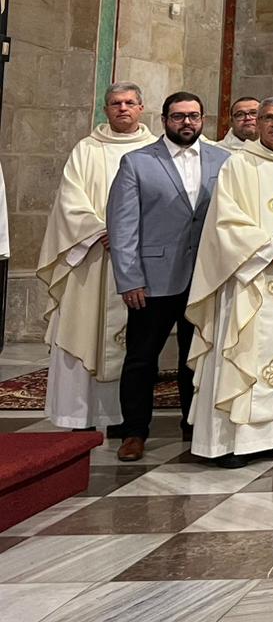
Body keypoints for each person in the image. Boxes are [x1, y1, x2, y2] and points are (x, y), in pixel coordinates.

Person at [186, 98, 273, 465]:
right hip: (248, 276)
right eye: (269, 118)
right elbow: (226, 221)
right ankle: (233, 443)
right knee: (243, 351)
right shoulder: (238, 165)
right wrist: (268, 248)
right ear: (257, 123)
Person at [106, 92, 229, 460]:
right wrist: (130, 279)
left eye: (193, 116)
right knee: (142, 358)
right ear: (164, 120)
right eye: (178, 117)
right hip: (153, 279)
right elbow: (122, 225)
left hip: (205, 278)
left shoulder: (224, 160)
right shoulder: (137, 162)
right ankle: (134, 432)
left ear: (203, 119)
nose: (186, 123)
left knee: (196, 357)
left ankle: (193, 427)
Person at [38, 82, 155, 431]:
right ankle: (80, 414)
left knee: (140, 344)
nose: (123, 108)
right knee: (81, 330)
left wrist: (125, 237)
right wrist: (103, 231)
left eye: (130, 103)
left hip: (138, 260)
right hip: (91, 258)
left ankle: (129, 418)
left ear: (141, 108)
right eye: (116, 103)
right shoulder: (86, 150)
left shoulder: (155, 150)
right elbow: (69, 201)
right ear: (105, 110)